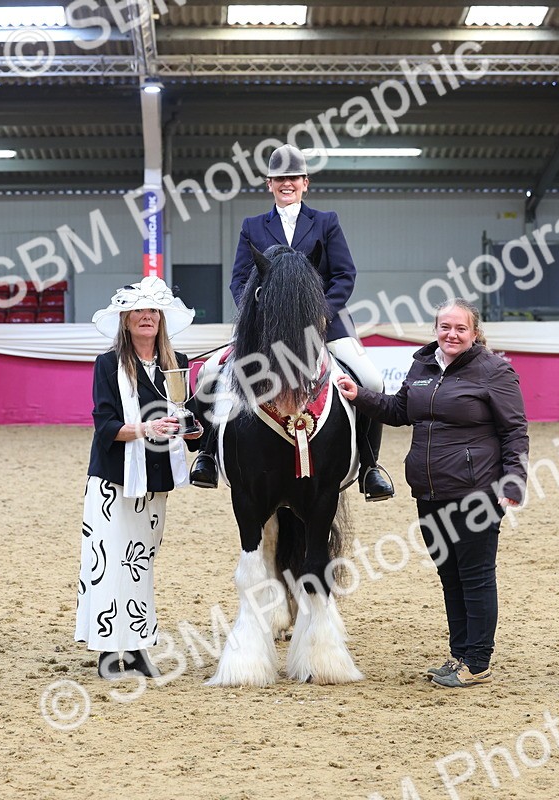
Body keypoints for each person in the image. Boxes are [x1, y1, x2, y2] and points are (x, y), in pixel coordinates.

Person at [336, 299, 528, 689]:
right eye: (444, 327)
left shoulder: (494, 370)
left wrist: (513, 482)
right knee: (450, 575)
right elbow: (399, 411)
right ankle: (459, 654)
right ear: (435, 329)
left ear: (474, 332)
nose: (451, 334)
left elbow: (515, 431)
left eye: (460, 328)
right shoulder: (422, 365)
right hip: (429, 491)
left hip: (476, 492)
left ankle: (478, 661)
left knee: (475, 576)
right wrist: (359, 395)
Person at [189, 143, 394, 501]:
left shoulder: (326, 222)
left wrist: (320, 312)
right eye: (280, 178)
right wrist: (256, 315)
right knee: (209, 374)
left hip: (324, 325)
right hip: (266, 328)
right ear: (269, 183)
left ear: (305, 182)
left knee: (371, 379)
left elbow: (344, 273)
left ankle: (370, 467)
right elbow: (239, 279)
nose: (287, 184)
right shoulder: (253, 226)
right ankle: (207, 453)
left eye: (293, 178)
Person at [76, 276, 203, 680]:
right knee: (109, 563)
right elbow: (105, 425)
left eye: (152, 311)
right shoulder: (108, 364)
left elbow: (186, 416)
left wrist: (193, 429)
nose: (146, 317)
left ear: (161, 319)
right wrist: (147, 429)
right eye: (138, 311)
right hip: (114, 481)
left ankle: (136, 645)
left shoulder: (176, 362)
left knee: (140, 565)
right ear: (126, 320)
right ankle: (108, 651)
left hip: (156, 480)